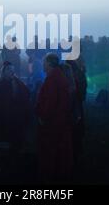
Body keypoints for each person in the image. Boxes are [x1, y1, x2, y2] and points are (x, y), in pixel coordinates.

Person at [36, 53, 73, 182]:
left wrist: (43, 117)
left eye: (44, 62)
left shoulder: (53, 79)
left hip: (53, 122)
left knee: (51, 149)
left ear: (49, 63)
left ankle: (51, 174)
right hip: (59, 119)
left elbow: (50, 102)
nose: (43, 64)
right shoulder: (56, 76)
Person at [0, 62, 31, 155]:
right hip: (1, 119)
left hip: (13, 119)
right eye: (9, 70)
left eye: (12, 70)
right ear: (4, 71)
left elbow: (26, 94)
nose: (12, 72)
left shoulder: (17, 83)